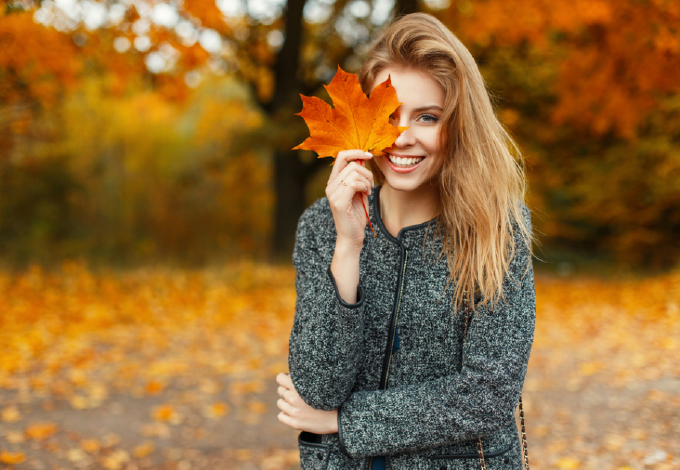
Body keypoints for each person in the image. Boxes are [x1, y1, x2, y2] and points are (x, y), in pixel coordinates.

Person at [275, 12, 536, 470]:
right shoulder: (321, 225)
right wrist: (347, 246)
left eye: (428, 117)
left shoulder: (500, 230)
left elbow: (487, 393)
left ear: (457, 125)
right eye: (390, 116)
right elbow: (316, 387)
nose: (404, 137)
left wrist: (343, 421)